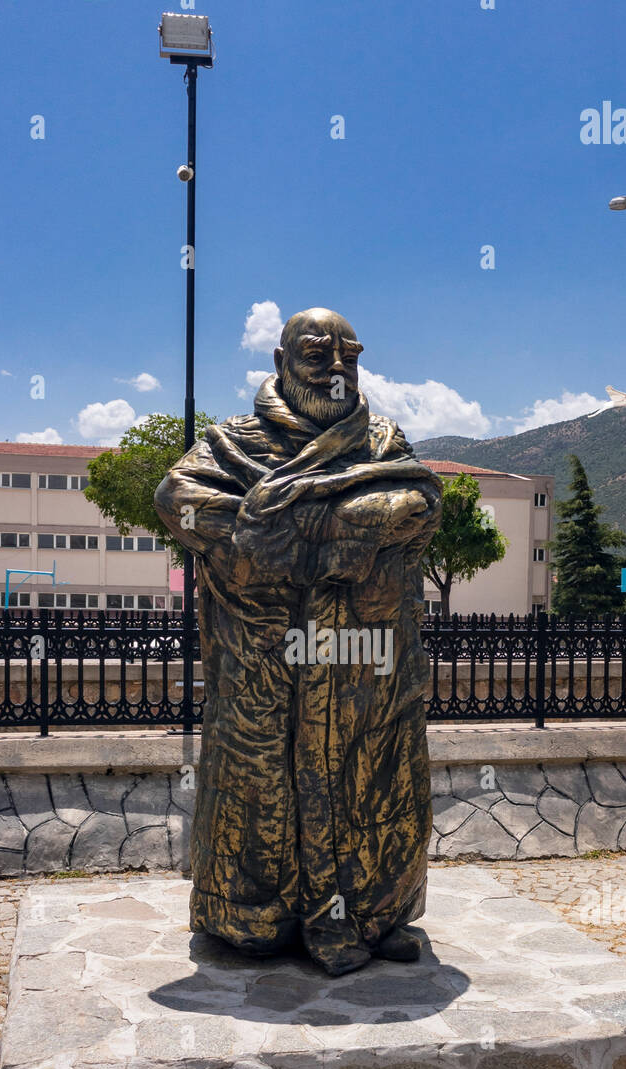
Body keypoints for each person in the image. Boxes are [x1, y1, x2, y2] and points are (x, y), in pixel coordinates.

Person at [155, 308, 442, 976]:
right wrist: (311, 529)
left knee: (374, 781)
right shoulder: (234, 441)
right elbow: (178, 500)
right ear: (282, 363)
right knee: (266, 788)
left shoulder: (380, 437)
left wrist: (304, 518)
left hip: (364, 664)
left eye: (348, 355)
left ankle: (374, 915)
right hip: (266, 663)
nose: (336, 368)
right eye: (318, 355)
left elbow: (420, 504)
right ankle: (259, 921)